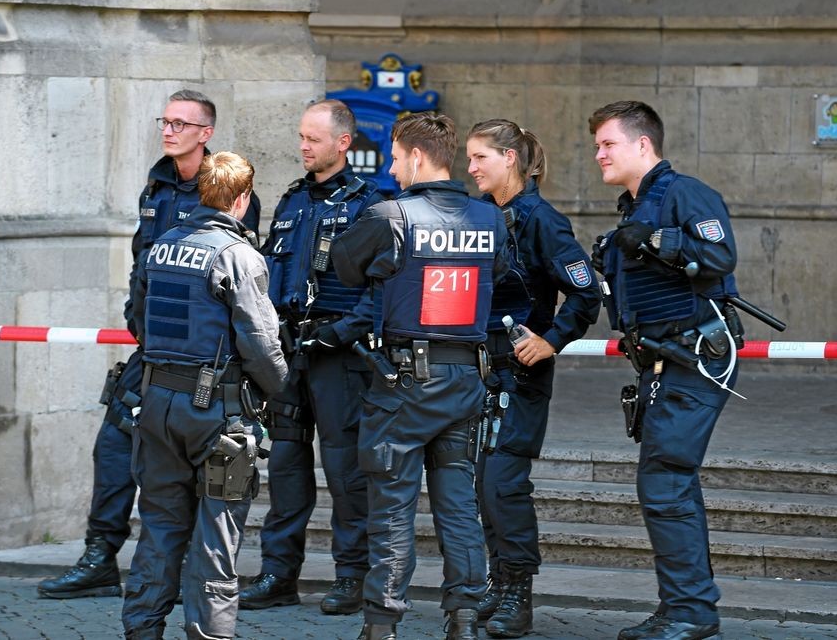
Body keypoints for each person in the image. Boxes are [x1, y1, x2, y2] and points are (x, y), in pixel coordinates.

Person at [38, 90, 259, 601]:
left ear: (205, 134)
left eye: (182, 123)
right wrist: (138, 321)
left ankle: (181, 569)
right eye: (166, 120)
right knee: (113, 442)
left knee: (193, 468)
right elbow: (143, 268)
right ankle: (99, 555)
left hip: (204, 359)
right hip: (154, 348)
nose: (169, 130)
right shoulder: (155, 186)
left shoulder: (226, 187)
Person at [331, 111, 509, 640]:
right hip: (464, 382)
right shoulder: (490, 218)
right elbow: (496, 275)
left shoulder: (390, 215)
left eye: (393, 155)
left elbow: (344, 268)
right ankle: (464, 619)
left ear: (415, 155)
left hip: (404, 386)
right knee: (458, 506)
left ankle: (382, 623)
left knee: (391, 506)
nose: (390, 166)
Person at [589, 101, 740, 640]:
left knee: (665, 480)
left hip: (695, 357)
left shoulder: (684, 194)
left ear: (643, 145)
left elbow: (720, 257)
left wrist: (657, 240)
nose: (599, 154)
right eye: (598, 145)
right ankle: (685, 606)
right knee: (666, 480)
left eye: (608, 144)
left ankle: (691, 611)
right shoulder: (634, 206)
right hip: (662, 363)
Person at [121, 151, 287, 640]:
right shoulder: (237, 255)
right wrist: (280, 389)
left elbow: (136, 318)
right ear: (242, 199)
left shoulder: (162, 247)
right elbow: (261, 344)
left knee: (159, 530)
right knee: (216, 538)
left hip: (157, 406)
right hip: (215, 414)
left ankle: (141, 631)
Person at [239, 100, 382, 614]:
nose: (303, 146)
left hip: (339, 357)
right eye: (301, 137)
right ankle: (278, 574)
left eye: (313, 139)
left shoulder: (371, 205)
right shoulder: (293, 200)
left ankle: (352, 576)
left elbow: (381, 290)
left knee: (346, 472)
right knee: (286, 465)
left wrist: (342, 333)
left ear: (342, 143)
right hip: (288, 354)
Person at [464, 120, 602, 638]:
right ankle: (499, 586)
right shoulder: (482, 216)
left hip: (520, 373)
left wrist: (551, 338)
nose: (471, 168)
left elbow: (587, 294)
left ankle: (518, 592)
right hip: (481, 370)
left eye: (480, 158)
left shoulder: (543, 221)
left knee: (504, 485)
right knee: (483, 486)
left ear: (509, 159)